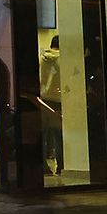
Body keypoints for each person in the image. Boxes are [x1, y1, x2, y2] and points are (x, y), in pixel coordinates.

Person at [40, 35, 63, 176]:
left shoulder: (42, 59)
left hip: (43, 100)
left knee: (42, 136)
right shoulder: (63, 59)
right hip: (59, 100)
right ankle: (61, 166)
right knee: (59, 135)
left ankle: (43, 167)